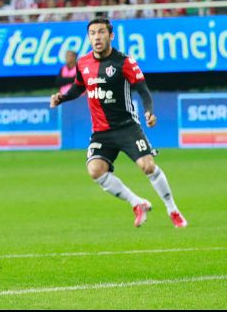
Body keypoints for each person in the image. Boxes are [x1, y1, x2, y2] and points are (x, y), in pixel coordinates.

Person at [50, 18, 187, 228]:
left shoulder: (124, 62)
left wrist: (149, 111)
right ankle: (137, 203)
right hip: (101, 132)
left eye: (101, 32)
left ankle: (172, 209)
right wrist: (63, 98)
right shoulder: (83, 63)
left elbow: (143, 90)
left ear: (111, 35)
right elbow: (79, 86)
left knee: (148, 166)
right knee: (95, 170)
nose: (97, 37)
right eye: (92, 33)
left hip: (127, 127)